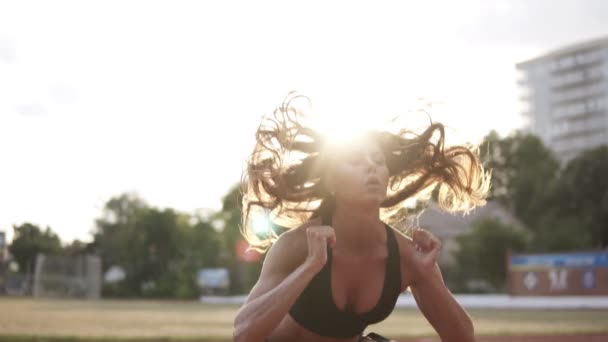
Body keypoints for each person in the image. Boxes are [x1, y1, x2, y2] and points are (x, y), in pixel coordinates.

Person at [233, 93, 490, 342]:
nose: (371, 166)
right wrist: (310, 266)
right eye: (355, 161)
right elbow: (244, 334)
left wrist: (428, 277)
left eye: (378, 160)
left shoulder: (406, 255)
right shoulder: (297, 246)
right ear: (331, 181)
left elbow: (462, 338)